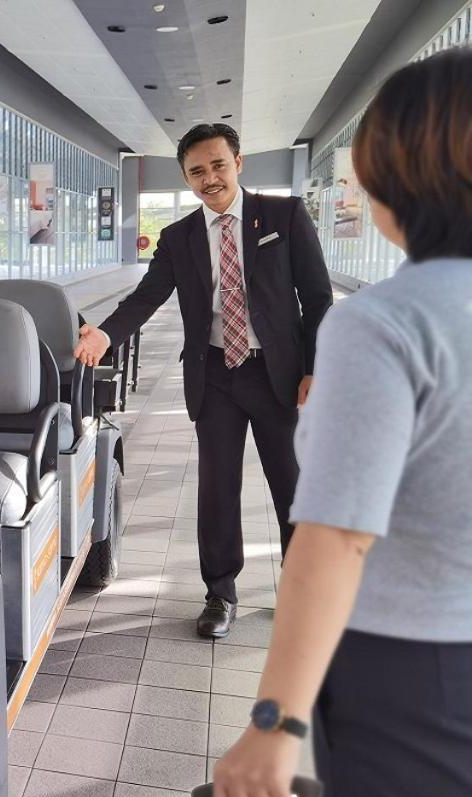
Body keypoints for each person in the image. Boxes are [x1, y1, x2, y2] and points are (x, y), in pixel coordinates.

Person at [212, 48, 472, 797]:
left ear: (399, 172)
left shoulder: (390, 326)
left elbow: (332, 542)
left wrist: (274, 722)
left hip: (417, 684)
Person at [74, 124, 332, 639]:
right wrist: (104, 336)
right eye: (197, 171)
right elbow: (145, 299)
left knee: (291, 482)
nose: (209, 178)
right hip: (215, 374)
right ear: (186, 178)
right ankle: (220, 593)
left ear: (238, 162)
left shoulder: (284, 216)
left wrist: (315, 369)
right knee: (217, 486)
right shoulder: (179, 238)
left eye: (217, 165)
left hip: (276, 372)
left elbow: (318, 298)